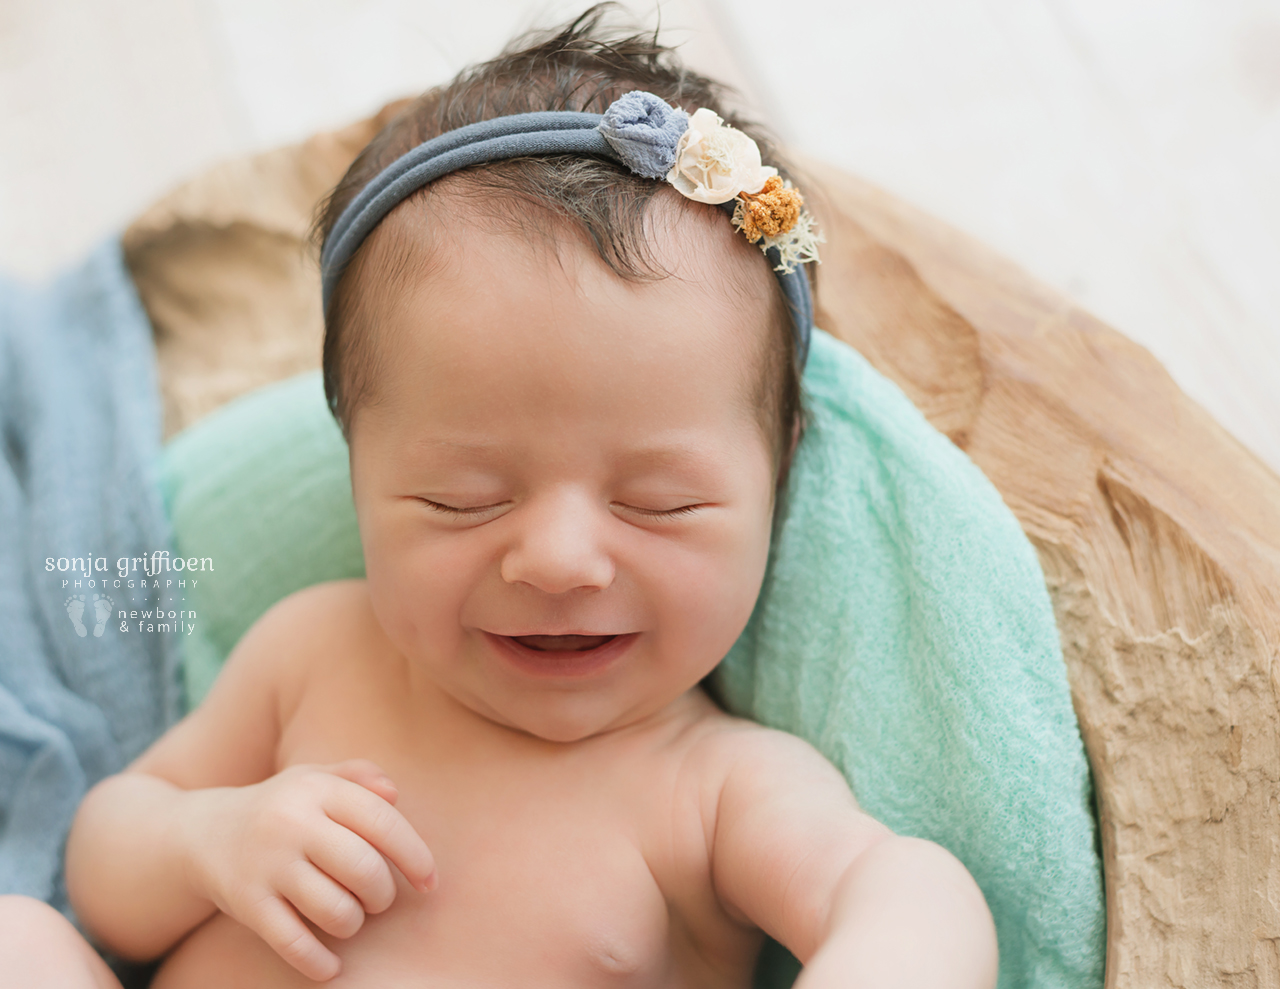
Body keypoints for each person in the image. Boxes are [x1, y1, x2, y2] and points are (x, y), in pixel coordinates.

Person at [0, 8, 998, 987]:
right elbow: (104, 862)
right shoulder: (317, 651)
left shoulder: (713, 787)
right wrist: (207, 837)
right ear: (354, 461)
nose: (558, 559)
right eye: (461, 497)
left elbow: (898, 889)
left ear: (777, 471)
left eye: (657, 501)